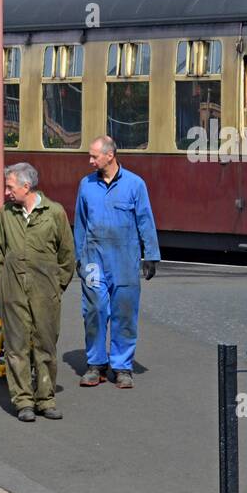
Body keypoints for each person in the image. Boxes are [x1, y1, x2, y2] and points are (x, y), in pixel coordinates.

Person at [73, 136, 161, 390]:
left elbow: (145, 220)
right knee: (94, 310)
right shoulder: (86, 185)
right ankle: (96, 365)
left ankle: (122, 366)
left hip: (125, 261)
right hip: (92, 261)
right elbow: (80, 223)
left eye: (94, 156)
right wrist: (78, 257)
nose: (90, 161)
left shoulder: (135, 185)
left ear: (109, 155)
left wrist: (151, 255)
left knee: (124, 313)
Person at [0, 162, 75, 422]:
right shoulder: (6, 214)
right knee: (16, 347)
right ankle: (23, 401)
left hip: (45, 293)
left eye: (10, 187)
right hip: (13, 292)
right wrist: (7, 280)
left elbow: (67, 256)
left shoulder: (54, 213)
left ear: (26, 187)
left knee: (45, 346)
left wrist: (55, 286)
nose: (6, 192)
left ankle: (46, 400)